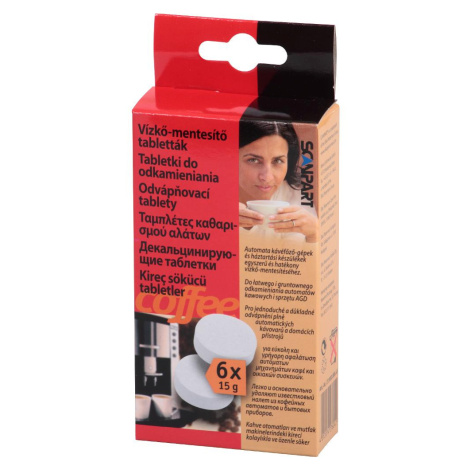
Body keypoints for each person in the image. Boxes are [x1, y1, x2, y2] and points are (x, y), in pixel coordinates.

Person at [239, 121, 318, 243]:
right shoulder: (210, 190)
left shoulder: (296, 197)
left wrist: (314, 235)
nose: (267, 177)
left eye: (278, 161)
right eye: (253, 160)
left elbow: (302, 253)